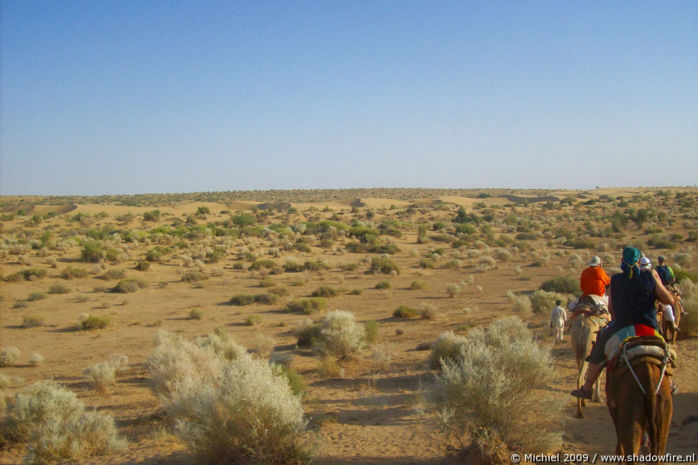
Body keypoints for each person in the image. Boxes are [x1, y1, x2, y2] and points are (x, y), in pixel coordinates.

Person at [571, 247, 675, 399]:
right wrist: (656, 281)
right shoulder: (650, 276)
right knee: (665, 350)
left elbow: (612, 309)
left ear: (622, 261)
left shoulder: (616, 280)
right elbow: (669, 300)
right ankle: (670, 384)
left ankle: (587, 388)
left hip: (622, 327)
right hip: (649, 327)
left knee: (598, 350)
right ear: (639, 261)